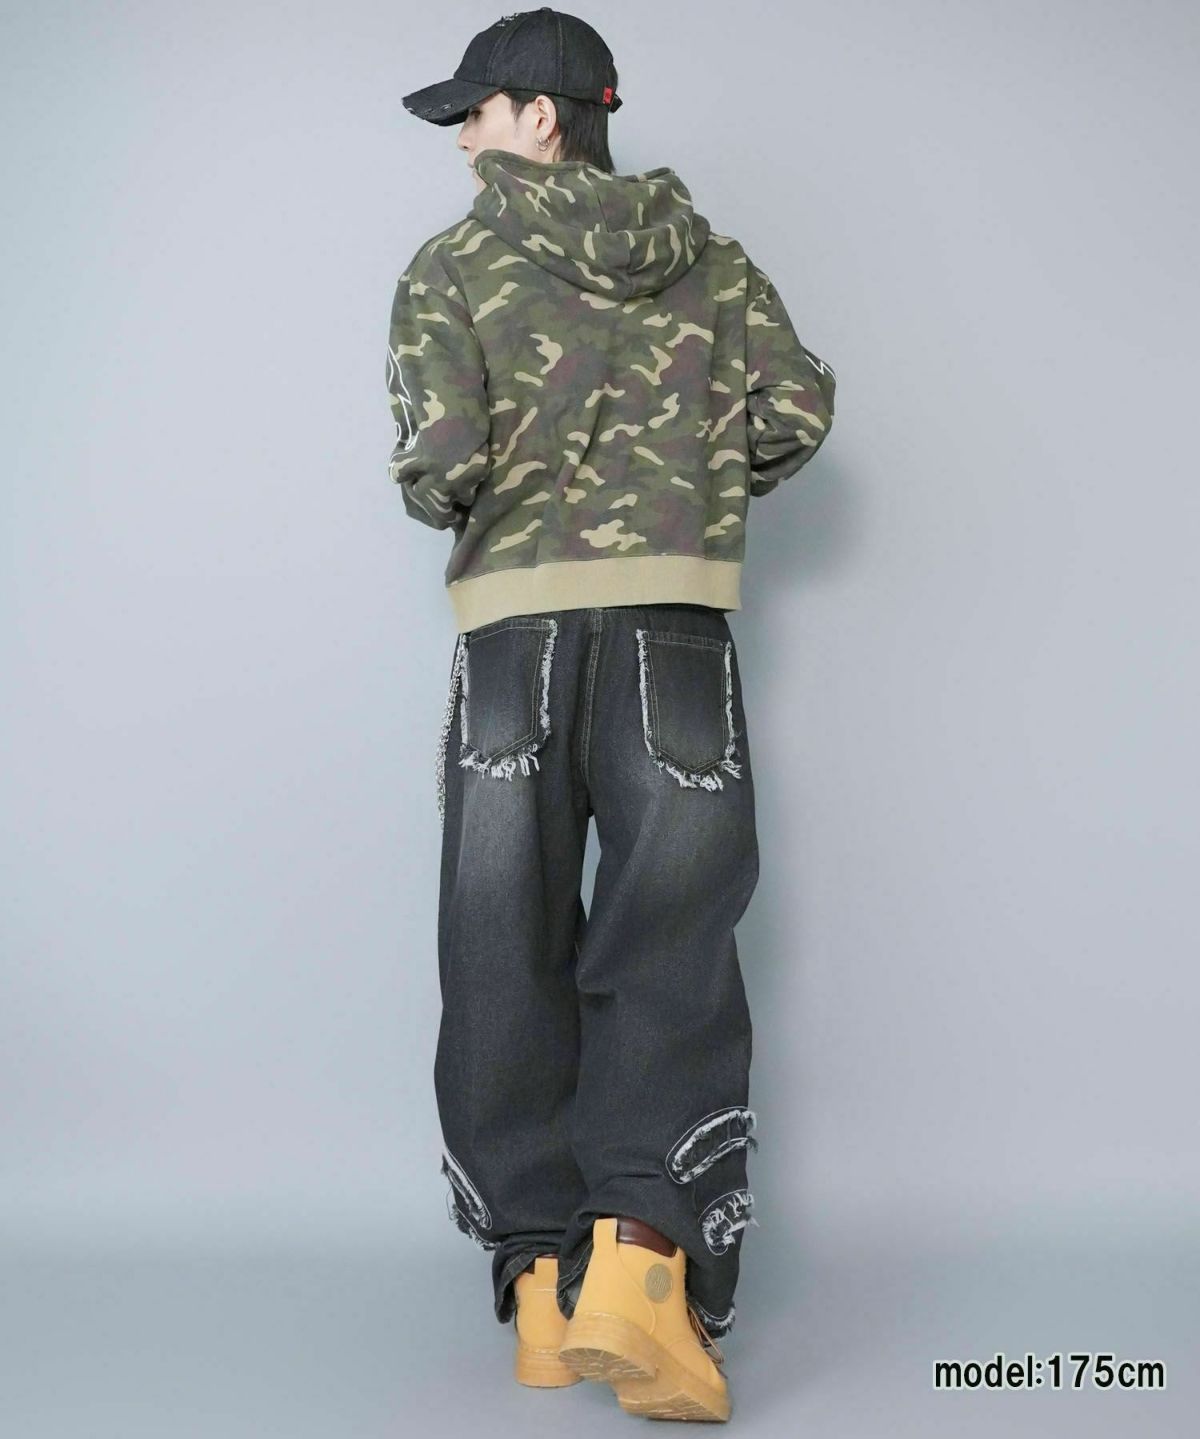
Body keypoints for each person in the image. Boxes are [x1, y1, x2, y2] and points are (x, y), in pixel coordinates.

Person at [388, 7, 836, 1422]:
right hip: (674, 635)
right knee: (669, 943)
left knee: (501, 939)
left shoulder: (452, 265)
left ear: (543, 114)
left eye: (476, 113)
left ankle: (539, 1284)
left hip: (512, 639)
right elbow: (796, 414)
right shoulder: (716, 261)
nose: (463, 140)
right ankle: (641, 1269)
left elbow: (437, 465)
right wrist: (684, 488)